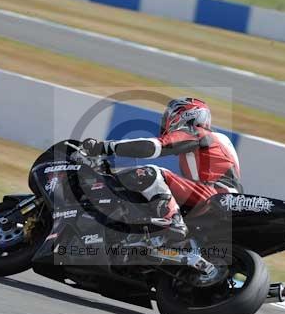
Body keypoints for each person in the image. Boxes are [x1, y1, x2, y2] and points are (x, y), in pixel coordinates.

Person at [82, 97, 242, 243]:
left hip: (215, 197)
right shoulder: (212, 142)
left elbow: (152, 147)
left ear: (186, 115)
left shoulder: (197, 133)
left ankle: (173, 221)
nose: (166, 120)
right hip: (218, 199)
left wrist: (103, 147)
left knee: (148, 173)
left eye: (169, 115)